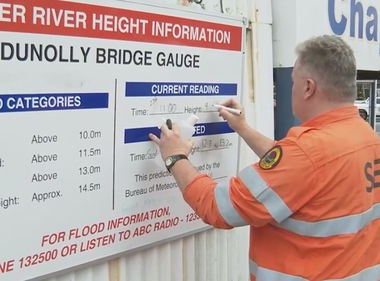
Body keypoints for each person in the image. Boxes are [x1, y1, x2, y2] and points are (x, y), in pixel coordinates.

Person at [149, 35, 380, 280]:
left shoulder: (307, 154)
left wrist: (175, 157)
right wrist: (243, 128)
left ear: (308, 87)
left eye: (293, 82)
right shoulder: (366, 137)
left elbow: (218, 207)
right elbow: (302, 174)